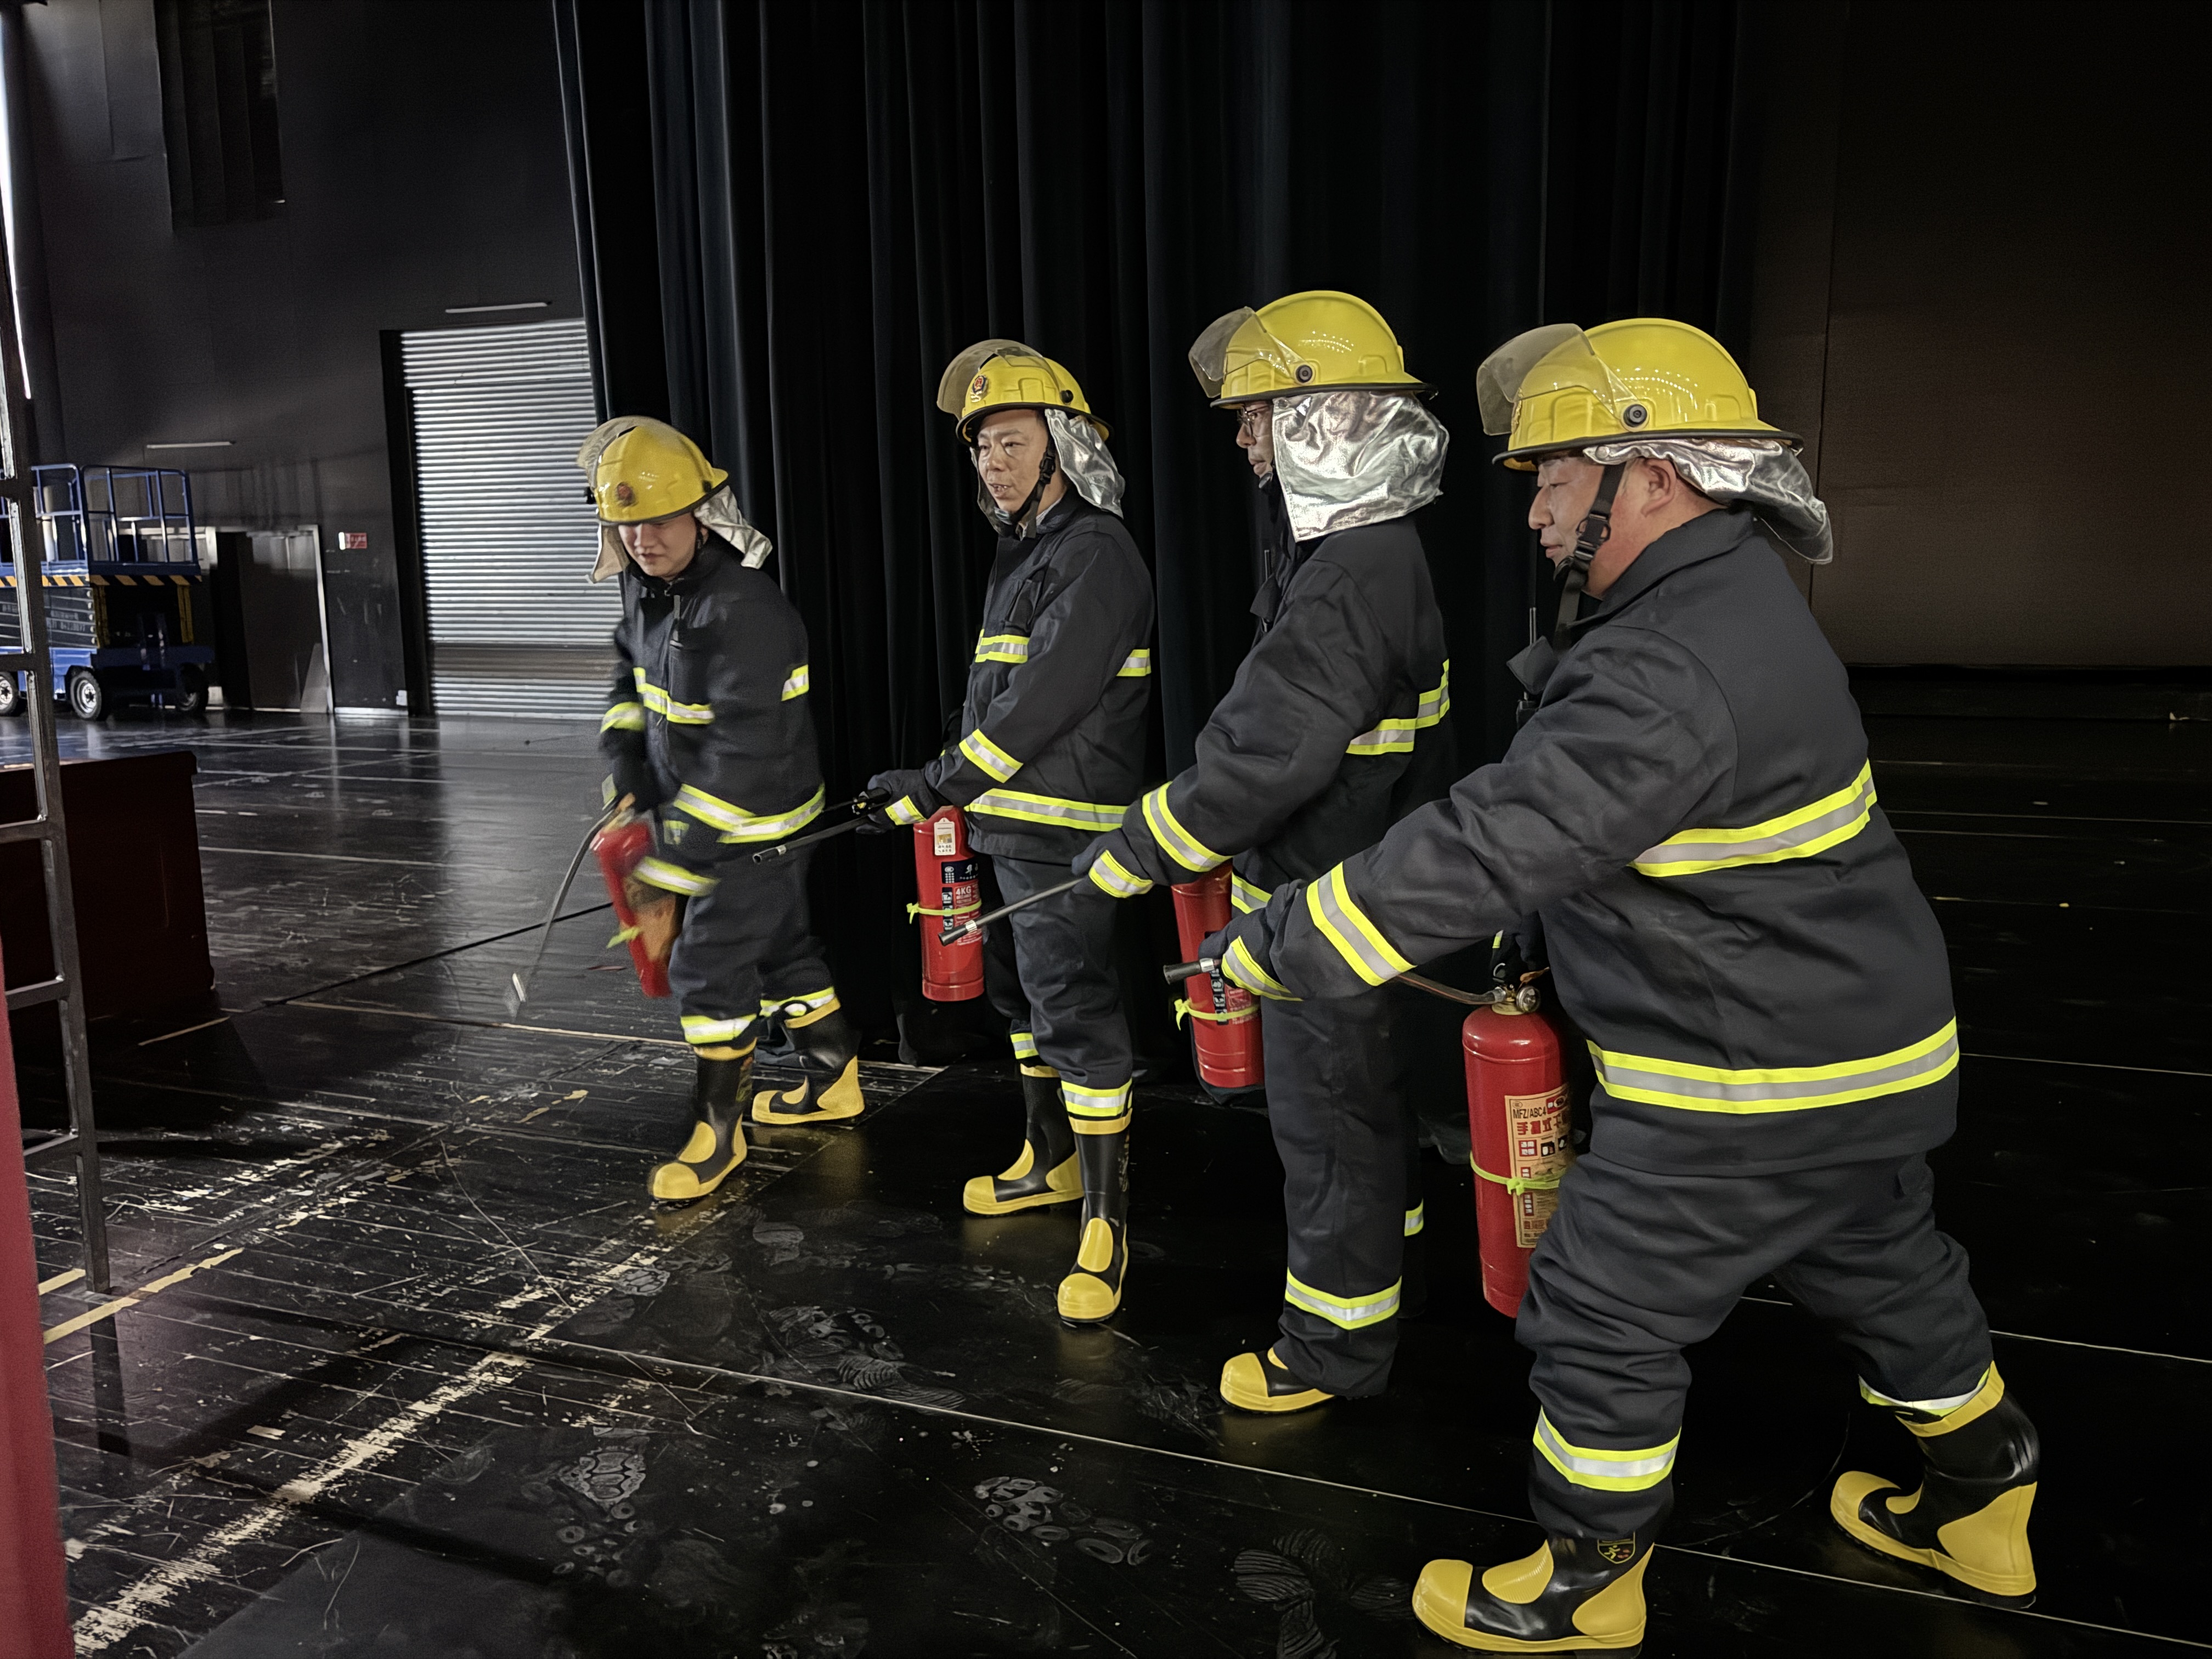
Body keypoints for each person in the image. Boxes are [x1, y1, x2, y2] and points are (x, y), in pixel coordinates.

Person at [1206, 319, 2038, 1650]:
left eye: (1556, 476)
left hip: (1748, 1076)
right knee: (1884, 1266)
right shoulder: (1723, 599)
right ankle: (1989, 1496)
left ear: (1653, 474)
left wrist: (1285, 939)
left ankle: (1585, 1585)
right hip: (1864, 1054)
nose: (1536, 511)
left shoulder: (1667, 661)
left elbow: (1502, 835)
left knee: (1600, 1305)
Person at [1077, 292, 1454, 1412]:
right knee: (1368, 1105)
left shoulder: (1351, 571)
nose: (1243, 440)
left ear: (1324, 419)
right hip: (1362, 887)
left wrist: (1140, 846)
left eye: (1259, 417)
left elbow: (1263, 755)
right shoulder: (1354, 550)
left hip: (1327, 905)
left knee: (1330, 1121)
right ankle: (1392, 1244)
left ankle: (1332, 1349)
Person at [865, 343, 1154, 1324]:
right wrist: (943, 783)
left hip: (1065, 836)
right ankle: (1051, 1159)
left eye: (1013, 442)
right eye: (982, 447)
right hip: (1007, 828)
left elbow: (1037, 709)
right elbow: (992, 699)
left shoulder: (1097, 552)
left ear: (1063, 447)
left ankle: (1107, 1225)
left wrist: (935, 784)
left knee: (1075, 1009)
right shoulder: (1025, 554)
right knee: (1021, 998)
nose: (992, 463)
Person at [582, 417, 861, 1206]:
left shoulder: (746, 608)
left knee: (706, 969)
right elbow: (629, 688)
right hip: (716, 828)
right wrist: (627, 765)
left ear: (702, 515)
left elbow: (745, 748)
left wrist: (679, 849)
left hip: (753, 832)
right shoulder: (651, 598)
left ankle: (718, 1135)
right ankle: (834, 1078)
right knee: (780, 953)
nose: (643, 539)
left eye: (660, 521)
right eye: (628, 525)